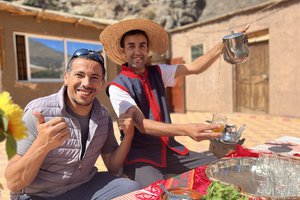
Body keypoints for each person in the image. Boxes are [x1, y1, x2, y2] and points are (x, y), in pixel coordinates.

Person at [99, 19, 250, 188]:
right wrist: (186, 130)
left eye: (142, 45)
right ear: (123, 51)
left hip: (171, 150)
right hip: (141, 156)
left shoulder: (159, 72)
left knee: (216, 170)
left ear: (148, 49)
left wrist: (224, 44)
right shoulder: (117, 87)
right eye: (131, 46)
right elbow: (142, 125)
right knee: (159, 191)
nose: (137, 51)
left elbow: (194, 67)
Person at [4, 48, 140, 200]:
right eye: (79, 75)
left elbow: (113, 166)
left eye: (94, 77)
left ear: (102, 83)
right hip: (39, 195)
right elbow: (14, 183)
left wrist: (128, 136)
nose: (86, 83)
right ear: (66, 78)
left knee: (131, 189)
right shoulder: (38, 112)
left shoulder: (103, 116)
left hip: (83, 187)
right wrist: (42, 145)